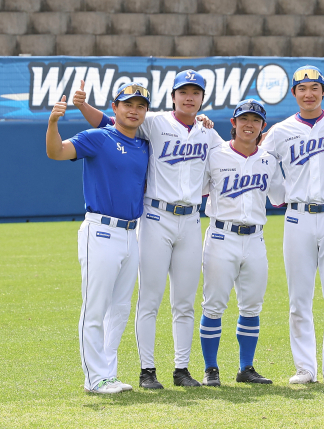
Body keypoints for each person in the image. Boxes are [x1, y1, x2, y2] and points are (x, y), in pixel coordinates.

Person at [74, 70, 225, 389]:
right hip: (156, 217)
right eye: (183, 91)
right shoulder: (153, 122)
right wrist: (82, 106)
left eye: (195, 93)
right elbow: (109, 124)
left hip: (191, 220)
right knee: (149, 300)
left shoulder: (208, 133)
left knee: (185, 301)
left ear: (202, 99)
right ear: (172, 97)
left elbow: (229, 161)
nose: (189, 97)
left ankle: (182, 369)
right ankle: (147, 371)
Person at [47, 83, 151, 393]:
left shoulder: (144, 144)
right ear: (114, 107)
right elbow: (56, 152)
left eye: (140, 105)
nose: (134, 109)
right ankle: (94, 378)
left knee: (119, 309)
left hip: (132, 234)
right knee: (95, 307)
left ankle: (108, 373)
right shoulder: (98, 138)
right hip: (101, 231)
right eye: (127, 103)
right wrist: (53, 122)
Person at [260, 65, 324, 385]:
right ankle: (305, 367)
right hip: (297, 215)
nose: (308, 93)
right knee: (298, 298)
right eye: (302, 89)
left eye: (314, 87)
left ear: (323, 91)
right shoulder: (280, 130)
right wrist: (279, 195)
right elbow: (259, 163)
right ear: (293, 94)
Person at [199, 99, 285, 386]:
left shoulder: (269, 160)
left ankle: (246, 368)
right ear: (233, 123)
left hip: (256, 239)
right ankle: (211, 368)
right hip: (221, 235)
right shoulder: (214, 155)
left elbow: (279, 196)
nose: (249, 124)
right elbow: (196, 188)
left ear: (262, 127)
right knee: (213, 306)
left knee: (251, 306)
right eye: (244, 119)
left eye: (256, 120)